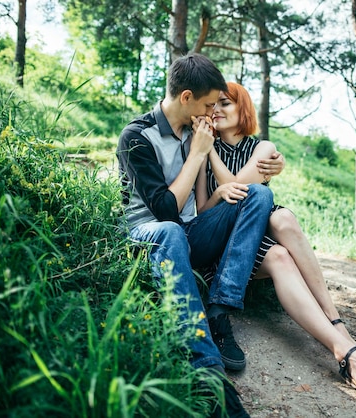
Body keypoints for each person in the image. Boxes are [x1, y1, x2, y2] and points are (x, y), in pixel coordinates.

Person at [195, 81, 356, 401]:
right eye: (214, 105)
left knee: (281, 219)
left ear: (243, 108)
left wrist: (213, 160)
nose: (217, 110)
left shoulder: (262, 149)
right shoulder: (201, 148)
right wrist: (206, 152)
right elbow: (204, 210)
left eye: (226, 104)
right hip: (222, 244)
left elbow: (240, 190)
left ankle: (338, 330)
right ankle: (345, 348)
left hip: (254, 232)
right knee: (278, 248)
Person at [116, 54, 283, 417]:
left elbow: (247, 163)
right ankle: (207, 371)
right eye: (209, 104)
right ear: (187, 97)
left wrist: (273, 166)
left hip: (190, 233)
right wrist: (197, 155)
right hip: (150, 238)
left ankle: (220, 308)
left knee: (259, 195)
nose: (213, 113)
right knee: (171, 230)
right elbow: (165, 212)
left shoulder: (199, 129)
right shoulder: (136, 136)